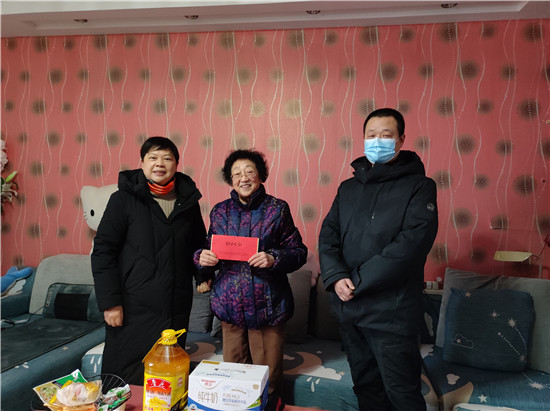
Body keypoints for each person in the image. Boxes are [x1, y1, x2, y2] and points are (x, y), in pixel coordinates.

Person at [318, 108, 438, 411]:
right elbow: (328, 235)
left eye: (386, 135)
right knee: (366, 389)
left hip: (392, 315)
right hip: (349, 310)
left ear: (401, 139)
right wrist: (336, 276)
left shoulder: (420, 186)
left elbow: (411, 245)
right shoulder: (347, 188)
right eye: (371, 135)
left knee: (402, 394)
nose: (378, 141)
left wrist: (356, 281)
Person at [91, 136, 212, 385]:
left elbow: (198, 244)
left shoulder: (188, 202)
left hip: (176, 304)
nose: (160, 163)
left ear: (176, 164)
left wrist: (202, 275)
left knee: (169, 373)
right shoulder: (123, 200)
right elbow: (103, 251)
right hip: (133, 304)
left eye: (167, 158)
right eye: (153, 158)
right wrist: (110, 303)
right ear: (142, 163)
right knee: (125, 373)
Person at [195, 149, 307, 408]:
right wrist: (202, 257)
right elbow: (209, 250)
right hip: (230, 305)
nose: (243, 178)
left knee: (268, 380)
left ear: (260, 176)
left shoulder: (277, 209)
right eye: (236, 173)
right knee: (232, 380)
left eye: (249, 172)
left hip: (268, 306)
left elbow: (299, 252)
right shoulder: (220, 211)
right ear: (230, 179)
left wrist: (273, 258)